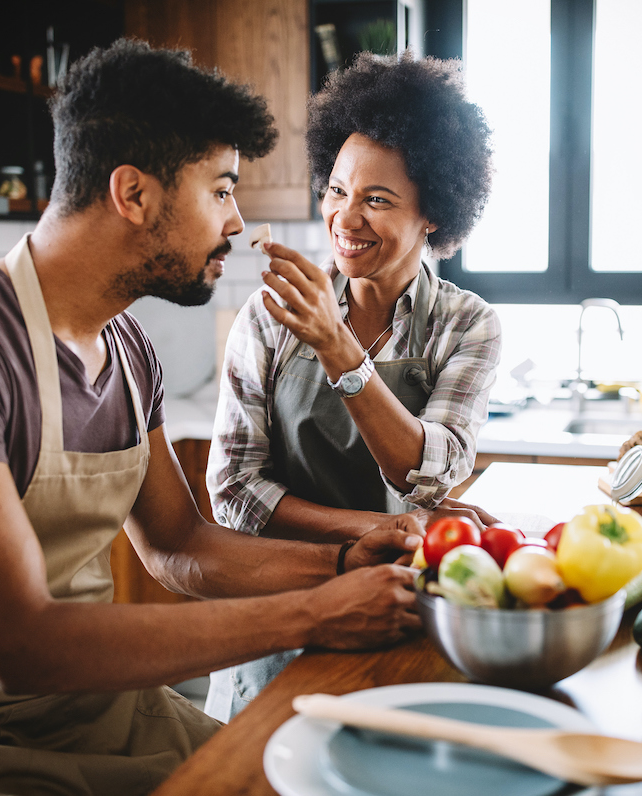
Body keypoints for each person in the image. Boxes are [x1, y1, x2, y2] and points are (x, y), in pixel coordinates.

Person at [0, 40, 427, 796]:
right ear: (134, 195)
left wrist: (351, 564)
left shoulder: (125, 345)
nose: (238, 222)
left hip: (111, 715)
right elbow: (21, 644)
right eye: (220, 190)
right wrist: (313, 613)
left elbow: (180, 546)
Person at [205, 51, 502, 721]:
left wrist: (338, 347)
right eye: (337, 190)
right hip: (283, 613)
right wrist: (378, 529)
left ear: (434, 214)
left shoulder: (466, 326)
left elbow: (428, 472)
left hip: (404, 609)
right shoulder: (271, 313)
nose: (345, 217)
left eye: (377, 199)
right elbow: (232, 493)